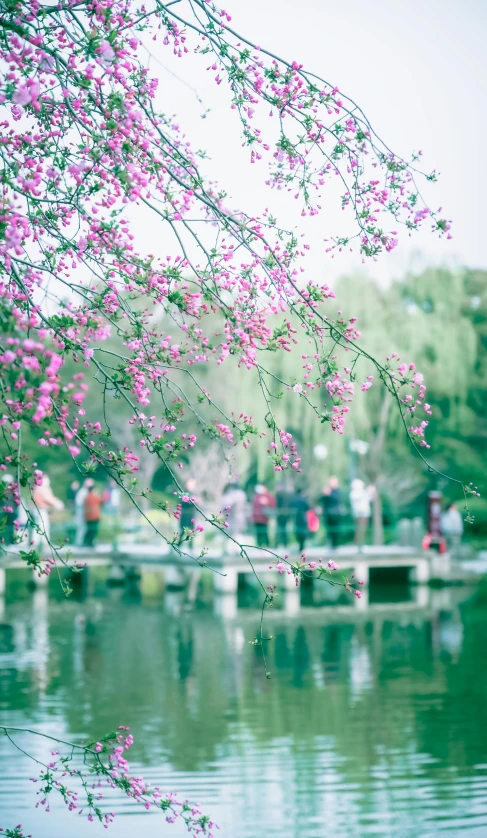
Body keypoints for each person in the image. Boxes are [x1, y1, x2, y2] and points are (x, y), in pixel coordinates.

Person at [32, 474, 64, 551]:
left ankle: (40, 543)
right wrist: (57, 504)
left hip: (41, 509)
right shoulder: (40, 488)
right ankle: (40, 543)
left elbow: (49, 497)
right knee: (42, 526)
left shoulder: (39, 487)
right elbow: (48, 498)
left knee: (41, 526)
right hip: (40, 510)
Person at [320, 476, 342, 549]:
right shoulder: (328, 491)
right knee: (329, 529)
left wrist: (328, 494)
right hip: (327, 513)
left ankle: (335, 544)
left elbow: (337, 500)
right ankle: (331, 543)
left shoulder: (337, 491)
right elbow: (322, 500)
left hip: (335, 513)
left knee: (335, 529)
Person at [349, 478, 371, 547]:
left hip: (365, 514)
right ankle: (358, 544)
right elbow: (359, 498)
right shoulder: (354, 494)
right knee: (359, 529)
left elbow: (369, 498)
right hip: (358, 514)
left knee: (363, 529)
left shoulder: (363, 493)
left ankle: (362, 543)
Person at [289, 486, 309, 553]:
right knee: (303, 532)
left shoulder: (294, 500)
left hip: (297, 519)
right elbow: (308, 507)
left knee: (298, 532)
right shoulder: (303, 500)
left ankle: (300, 546)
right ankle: (302, 546)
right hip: (303, 518)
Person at [75, 478, 91, 546]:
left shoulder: (88, 492)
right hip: (82, 513)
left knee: (87, 528)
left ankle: (86, 542)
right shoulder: (82, 492)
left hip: (87, 513)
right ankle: (79, 542)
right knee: (81, 528)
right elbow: (79, 502)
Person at [275, 482, 291, 547]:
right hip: (285, 514)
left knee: (280, 529)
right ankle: (285, 543)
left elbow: (278, 505)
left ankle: (278, 543)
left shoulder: (279, 494)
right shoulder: (286, 494)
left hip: (280, 514)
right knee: (284, 529)